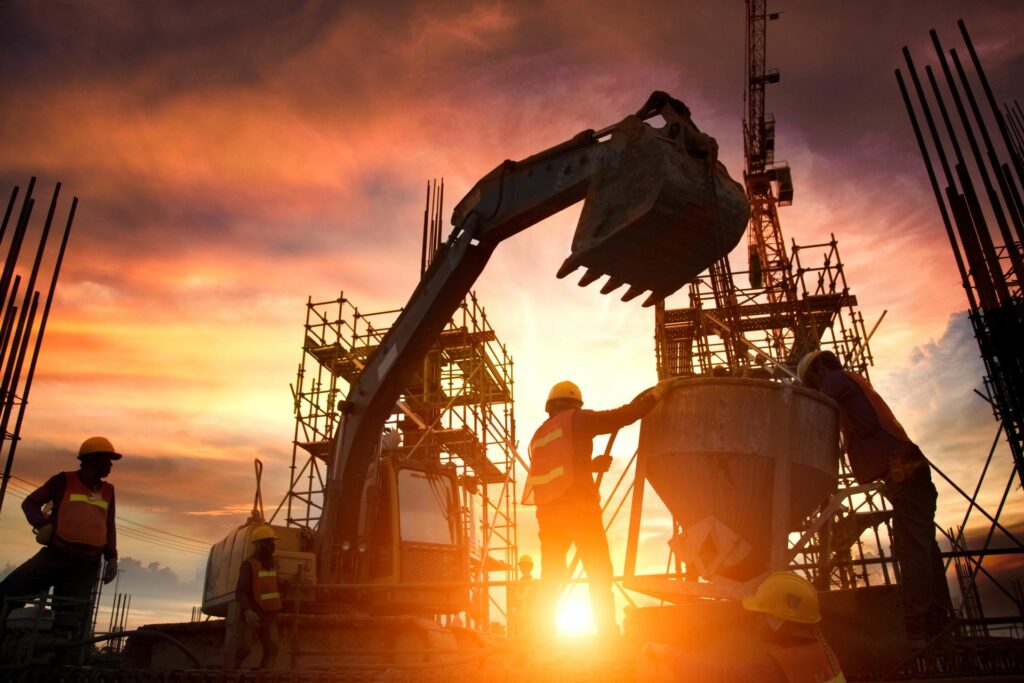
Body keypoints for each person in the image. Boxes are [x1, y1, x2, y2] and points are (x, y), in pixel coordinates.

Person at [798, 350, 952, 646]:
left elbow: (812, 405)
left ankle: (916, 628)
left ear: (818, 369)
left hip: (905, 474)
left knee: (913, 549)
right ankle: (937, 622)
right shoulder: (850, 384)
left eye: (812, 382)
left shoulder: (834, 382)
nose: (815, 388)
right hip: (908, 474)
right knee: (925, 549)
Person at [522, 380, 666, 639]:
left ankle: (542, 637)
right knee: (599, 574)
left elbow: (559, 468)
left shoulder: (539, 435)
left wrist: (590, 466)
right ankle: (607, 636)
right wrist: (654, 398)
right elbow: (620, 417)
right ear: (576, 404)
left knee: (551, 578)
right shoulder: (577, 420)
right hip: (580, 511)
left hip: (549, 517)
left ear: (550, 406)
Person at [0, 437, 120, 631]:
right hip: (56, 555)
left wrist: (112, 557)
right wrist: (43, 524)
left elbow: (108, 524)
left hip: (87, 564)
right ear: (92, 460)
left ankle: (56, 655)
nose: (110, 465)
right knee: (9, 594)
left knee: (71, 618)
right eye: (107, 460)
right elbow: (30, 503)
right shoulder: (64, 480)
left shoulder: (108, 490)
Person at [642, 572, 846, 682]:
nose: (755, 621)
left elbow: (722, 679)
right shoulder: (823, 654)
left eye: (760, 615)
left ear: (779, 620)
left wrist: (665, 651)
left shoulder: (777, 666)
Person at [230, 524, 283, 669]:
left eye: (272, 542)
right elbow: (241, 591)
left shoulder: (272, 564)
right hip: (254, 614)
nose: (271, 546)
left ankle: (263, 676)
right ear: (258, 545)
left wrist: (291, 583)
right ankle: (231, 672)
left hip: (270, 616)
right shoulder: (249, 565)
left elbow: (275, 585)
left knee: (272, 649)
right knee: (245, 648)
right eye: (267, 542)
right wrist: (247, 611)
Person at [508, 554, 538, 638]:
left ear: (531, 567)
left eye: (527, 566)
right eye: (523, 566)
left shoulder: (535, 583)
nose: (525, 568)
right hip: (519, 619)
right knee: (519, 642)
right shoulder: (516, 584)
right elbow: (512, 602)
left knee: (530, 641)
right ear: (520, 568)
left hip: (531, 618)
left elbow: (539, 601)